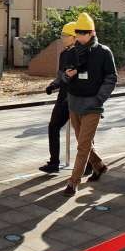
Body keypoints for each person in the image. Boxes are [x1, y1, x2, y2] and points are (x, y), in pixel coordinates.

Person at [60, 12, 117, 196]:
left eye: (84, 33)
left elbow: (111, 78)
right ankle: (98, 165)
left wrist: (98, 99)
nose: (80, 36)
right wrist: (67, 76)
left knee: (83, 145)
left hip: (93, 105)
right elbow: (62, 76)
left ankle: (73, 182)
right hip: (74, 103)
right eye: (78, 32)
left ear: (92, 32)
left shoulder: (104, 52)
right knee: (82, 142)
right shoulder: (71, 52)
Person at [40, 21, 93, 176]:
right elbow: (61, 75)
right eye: (62, 35)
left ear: (74, 36)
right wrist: (53, 85)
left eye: (65, 35)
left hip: (78, 98)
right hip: (63, 97)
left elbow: (84, 76)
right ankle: (54, 162)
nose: (62, 38)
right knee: (53, 126)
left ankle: (90, 164)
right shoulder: (64, 54)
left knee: (82, 133)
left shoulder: (82, 53)